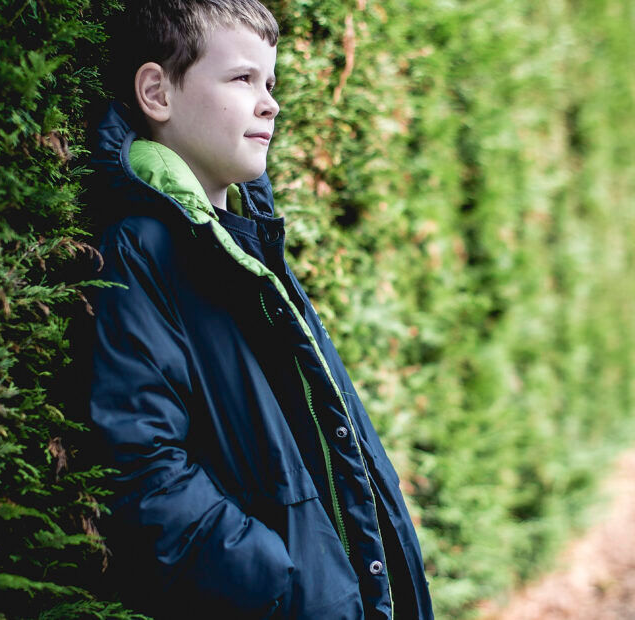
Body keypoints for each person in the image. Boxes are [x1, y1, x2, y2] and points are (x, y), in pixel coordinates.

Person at [84, 1, 434, 617]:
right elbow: (143, 467)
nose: (270, 102)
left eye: (270, 83)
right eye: (243, 79)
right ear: (156, 92)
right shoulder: (145, 249)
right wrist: (287, 585)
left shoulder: (249, 249)